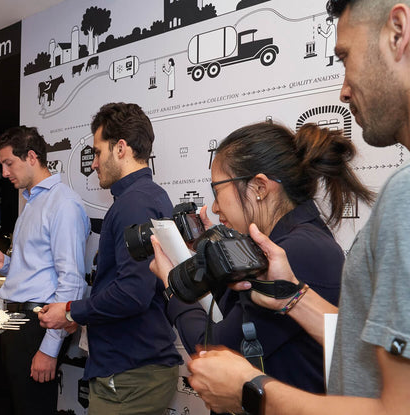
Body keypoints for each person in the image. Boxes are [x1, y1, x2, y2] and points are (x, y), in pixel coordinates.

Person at [169, 1, 410, 414]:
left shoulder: (402, 197)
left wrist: (253, 391)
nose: (343, 88)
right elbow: (365, 353)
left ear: (398, 30)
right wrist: (292, 297)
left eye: (345, 57)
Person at [152, 121, 374, 394]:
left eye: (217, 190)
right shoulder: (291, 239)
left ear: (259, 187)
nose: (215, 206)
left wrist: (172, 286)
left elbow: (215, 353)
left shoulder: (297, 251)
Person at [38, 102, 183, 414]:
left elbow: (133, 293)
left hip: (130, 373)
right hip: (134, 367)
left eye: (97, 152)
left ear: (120, 149)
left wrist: (71, 311)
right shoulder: (147, 197)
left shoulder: (134, 204)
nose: (92, 164)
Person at [0, 126, 90, 414]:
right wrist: (6, 264)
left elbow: (72, 282)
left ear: (31, 157)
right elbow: (39, 268)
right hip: (14, 321)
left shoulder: (62, 203)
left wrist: (49, 348)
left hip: (37, 326)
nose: (4, 173)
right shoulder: (32, 202)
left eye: (8, 163)